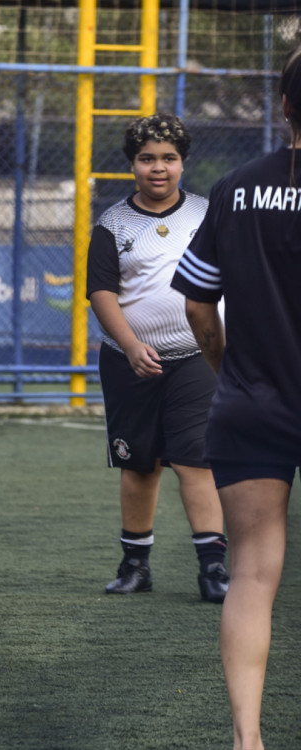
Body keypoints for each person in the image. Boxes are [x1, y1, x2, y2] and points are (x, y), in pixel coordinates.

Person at [171, 47, 301, 750]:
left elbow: (197, 305)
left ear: (283, 107)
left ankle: (246, 739)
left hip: (250, 404)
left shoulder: (237, 187)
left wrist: (232, 373)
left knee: (250, 572)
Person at [85, 113, 228, 604]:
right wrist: (130, 345)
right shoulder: (112, 224)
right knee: (139, 465)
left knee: (196, 461)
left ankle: (213, 569)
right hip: (129, 361)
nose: (158, 168)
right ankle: (135, 566)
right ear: (133, 165)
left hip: (197, 359)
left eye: (169, 158)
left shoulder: (209, 214)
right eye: (147, 159)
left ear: (183, 162)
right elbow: (101, 292)